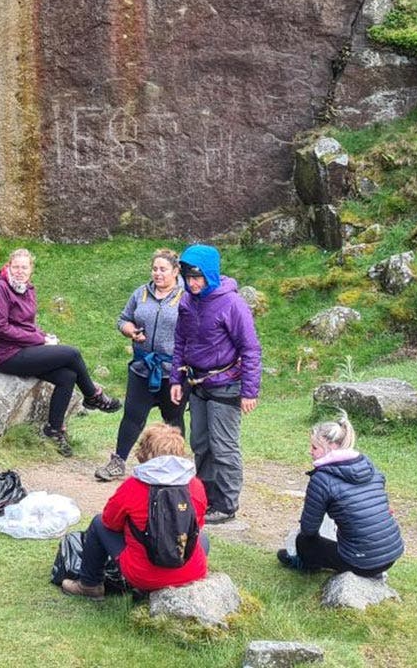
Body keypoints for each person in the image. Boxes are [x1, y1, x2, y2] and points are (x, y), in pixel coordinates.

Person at [0, 248, 120, 457]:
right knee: (72, 354)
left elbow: (26, 324)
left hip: (26, 349)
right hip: (7, 355)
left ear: (31, 269)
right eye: (16, 267)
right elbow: (0, 327)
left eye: (24, 267)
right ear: (8, 267)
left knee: (68, 376)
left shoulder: (28, 289)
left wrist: (44, 335)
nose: (20, 271)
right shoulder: (0, 289)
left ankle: (53, 430)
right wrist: (40, 340)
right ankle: (93, 395)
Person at [61, 424, 209, 599]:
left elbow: (110, 522)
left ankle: (90, 585)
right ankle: (177, 578)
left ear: (145, 452)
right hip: (193, 573)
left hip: (142, 575)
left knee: (98, 522)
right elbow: (196, 525)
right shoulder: (196, 485)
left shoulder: (133, 486)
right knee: (202, 537)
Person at [170, 243, 261, 524]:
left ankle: (227, 504)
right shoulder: (186, 301)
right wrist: (177, 378)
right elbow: (180, 342)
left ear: (210, 274)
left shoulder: (232, 303)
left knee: (223, 447)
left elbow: (250, 348)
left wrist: (249, 391)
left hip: (226, 385)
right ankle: (205, 498)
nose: (193, 283)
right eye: (189, 277)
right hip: (196, 383)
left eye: (198, 277)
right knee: (200, 444)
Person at [96, 249, 187, 481]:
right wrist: (130, 331)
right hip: (142, 368)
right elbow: (123, 319)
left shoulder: (186, 297)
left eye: (163, 269)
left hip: (173, 372)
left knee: (174, 420)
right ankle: (117, 463)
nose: (158, 274)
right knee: (132, 416)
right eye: (155, 269)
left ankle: (177, 465)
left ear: (176, 272)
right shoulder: (141, 293)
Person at [277, 413, 404, 577]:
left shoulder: (322, 479)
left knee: (303, 541)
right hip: (391, 554)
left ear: (332, 447)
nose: (310, 452)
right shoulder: (370, 467)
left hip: (362, 562)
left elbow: (309, 530)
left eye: (315, 447)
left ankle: (306, 563)